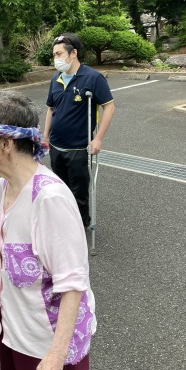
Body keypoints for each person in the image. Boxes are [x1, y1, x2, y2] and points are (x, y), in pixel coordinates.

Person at [0, 91, 96, 370]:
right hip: (13, 333)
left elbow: (73, 284)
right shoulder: (3, 187)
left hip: (46, 346)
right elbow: (0, 255)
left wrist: (55, 357)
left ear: (6, 143)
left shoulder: (49, 199)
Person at [44, 33, 115, 228]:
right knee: (60, 189)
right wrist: (45, 136)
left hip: (78, 148)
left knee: (79, 192)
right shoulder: (56, 79)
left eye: (59, 54)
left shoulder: (93, 78)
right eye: (54, 55)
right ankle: (64, 222)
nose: (56, 59)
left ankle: (80, 225)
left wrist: (98, 139)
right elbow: (51, 109)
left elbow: (109, 107)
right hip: (56, 146)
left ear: (73, 53)